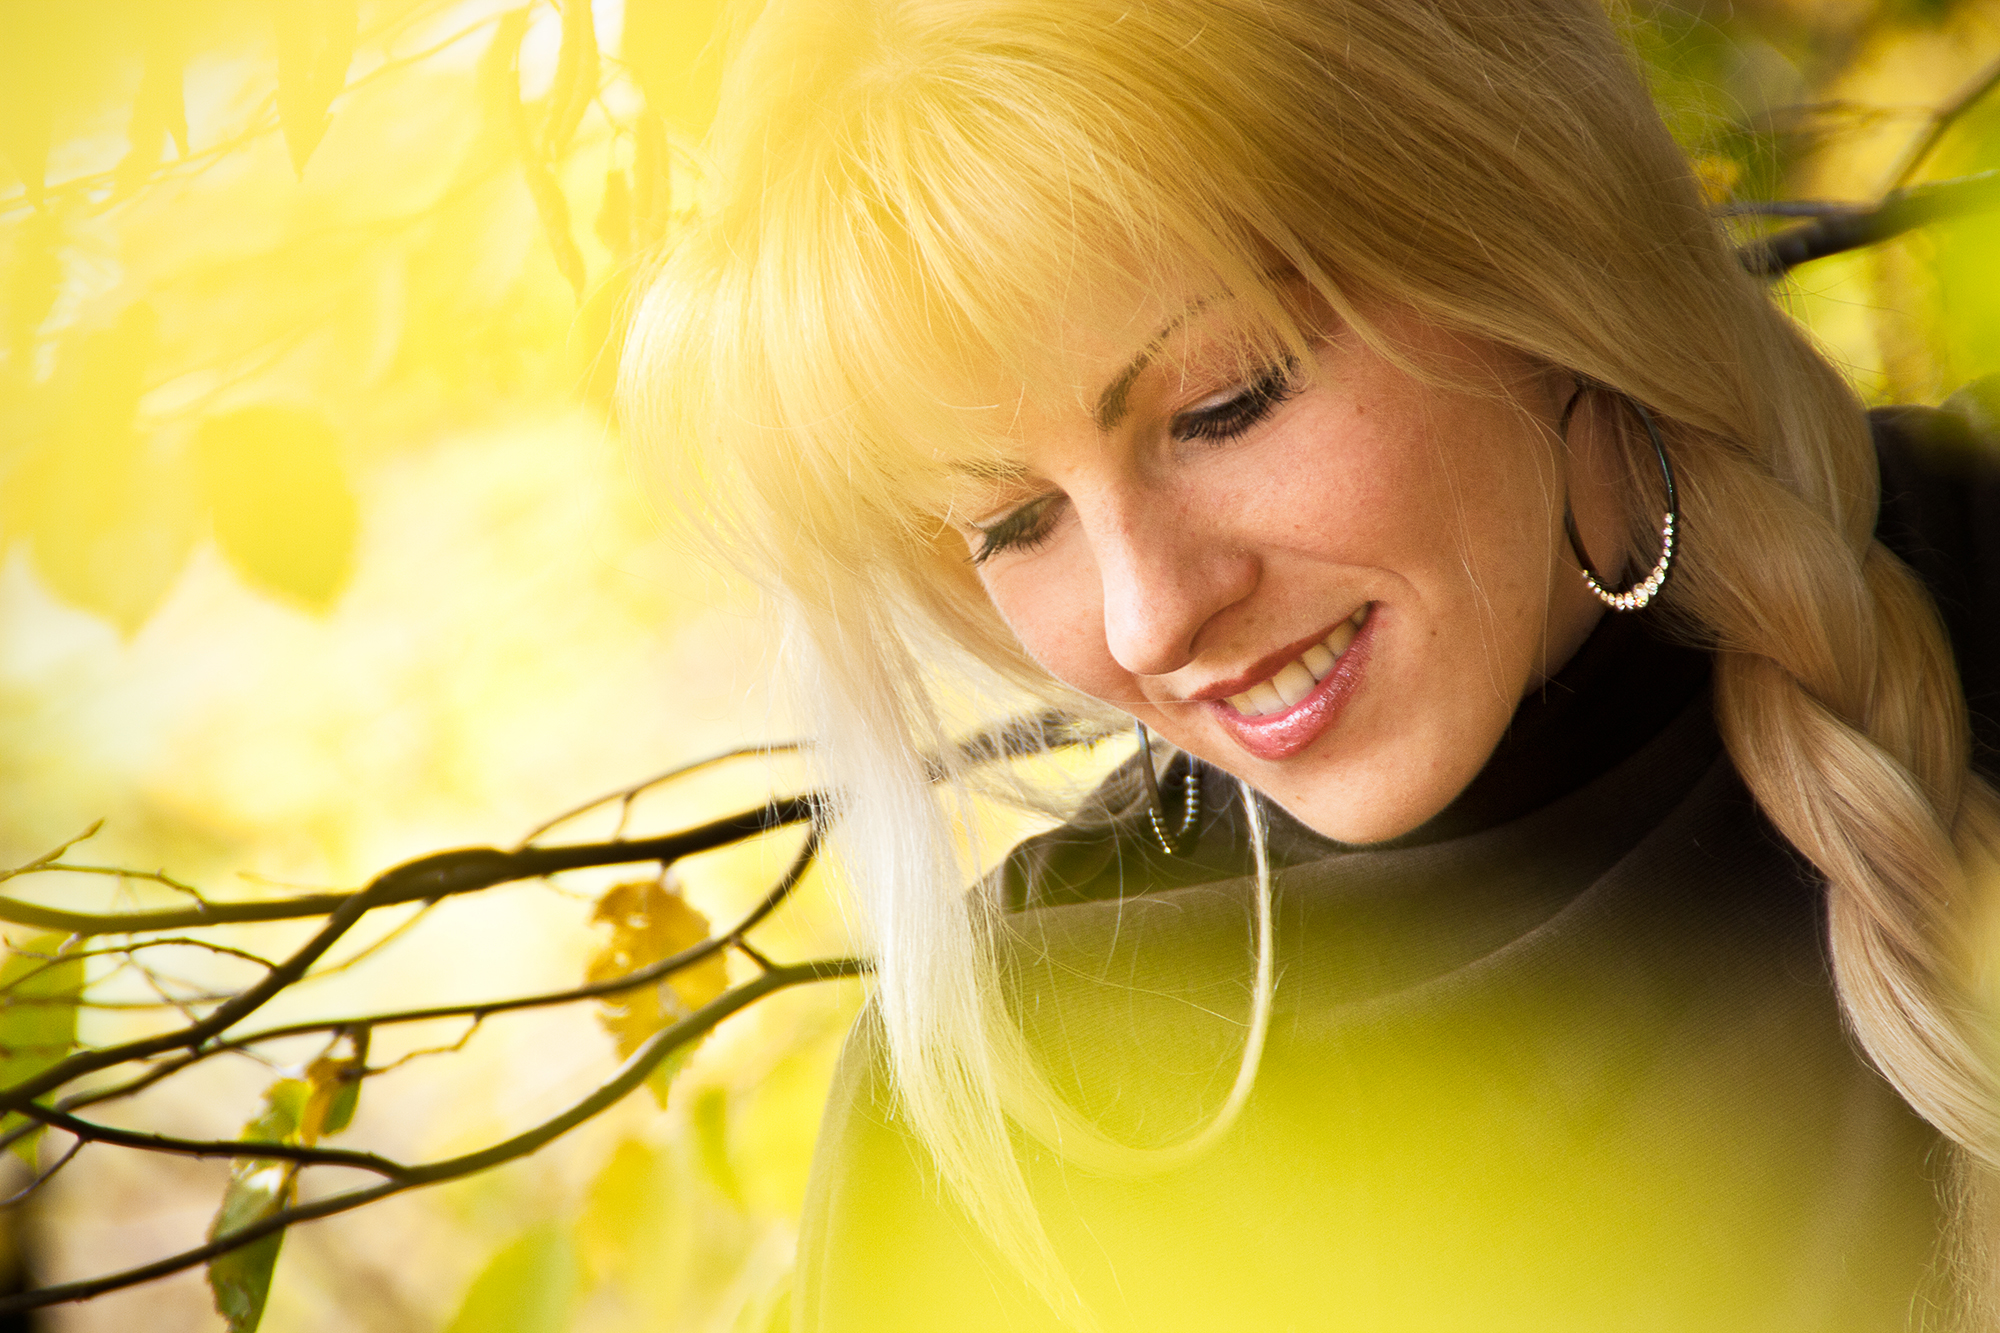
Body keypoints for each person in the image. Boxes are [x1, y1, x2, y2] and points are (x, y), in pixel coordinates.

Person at [621, 0, 2000, 1326]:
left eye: (1225, 403)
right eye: (1014, 522)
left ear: (1525, 223)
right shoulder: (1013, 1101)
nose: (1147, 621)